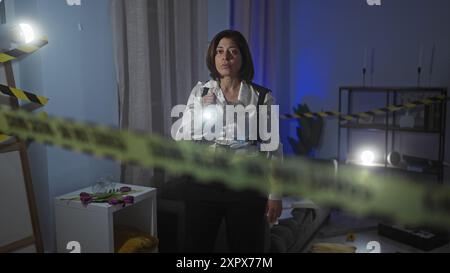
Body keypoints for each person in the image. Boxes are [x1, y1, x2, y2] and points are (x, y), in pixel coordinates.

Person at [175, 29, 282, 253]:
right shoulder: (200, 91)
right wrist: (202, 111)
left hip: (246, 185)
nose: (225, 58)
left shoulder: (262, 97)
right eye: (220, 52)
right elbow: (182, 137)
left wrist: (275, 194)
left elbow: (273, 149)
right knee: (195, 248)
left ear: (243, 57)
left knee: (246, 249)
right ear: (213, 58)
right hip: (203, 182)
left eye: (233, 52)